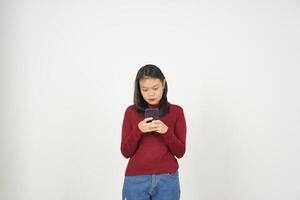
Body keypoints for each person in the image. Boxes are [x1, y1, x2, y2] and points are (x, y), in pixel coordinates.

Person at [120, 64, 187, 200]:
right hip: (136, 180)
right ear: (139, 89)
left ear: (164, 84)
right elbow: (125, 152)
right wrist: (138, 130)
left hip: (167, 179)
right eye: (144, 89)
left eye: (155, 88)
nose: (150, 93)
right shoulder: (131, 112)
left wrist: (166, 131)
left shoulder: (176, 112)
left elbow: (180, 152)